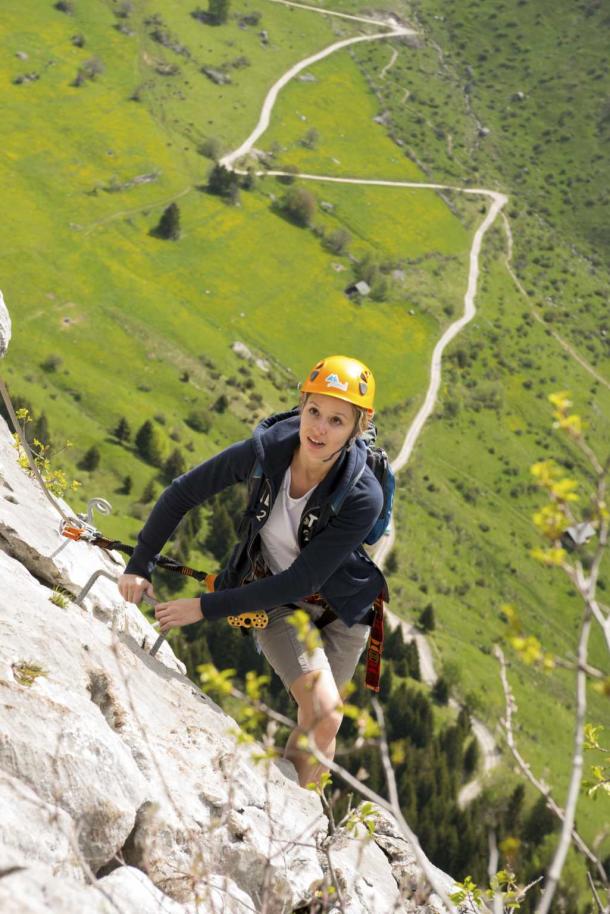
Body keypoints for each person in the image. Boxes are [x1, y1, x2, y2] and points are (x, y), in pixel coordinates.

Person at [118, 355, 388, 787]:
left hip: (345, 613)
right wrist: (139, 564)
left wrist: (204, 607)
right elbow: (182, 493)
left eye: (337, 420)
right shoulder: (267, 454)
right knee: (322, 710)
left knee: (323, 724)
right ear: (301, 404)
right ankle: (289, 818)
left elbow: (306, 579)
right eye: (313, 411)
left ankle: (298, 820)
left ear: (359, 425)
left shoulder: (361, 495)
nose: (318, 428)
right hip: (274, 597)